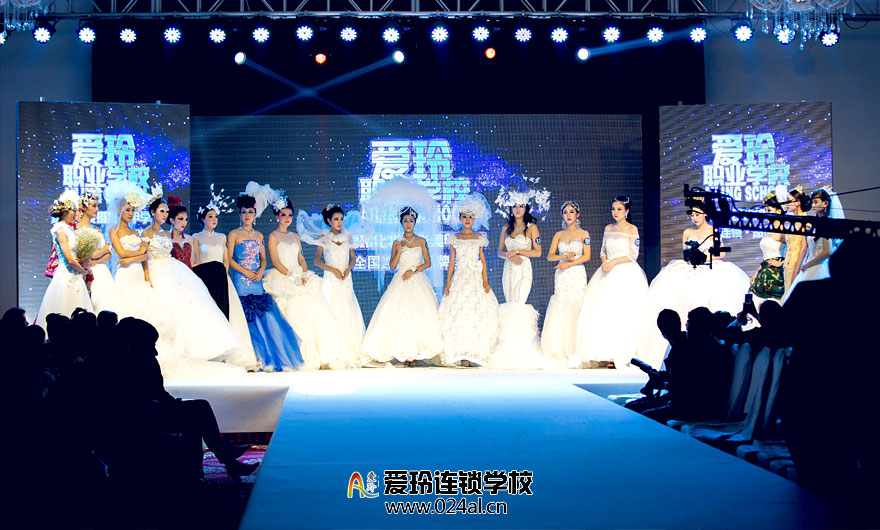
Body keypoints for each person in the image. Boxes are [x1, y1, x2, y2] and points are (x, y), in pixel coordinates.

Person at [142, 195, 246, 378]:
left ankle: (195, 349)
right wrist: (147, 277)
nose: (165, 214)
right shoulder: (147, 233)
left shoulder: (167, 235)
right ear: (153, 212)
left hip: (174, 270)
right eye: (162, 211)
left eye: (166, 211)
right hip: (158, 270)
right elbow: (144, 256)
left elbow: (189, 261)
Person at [639, 199, 750, 368]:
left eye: (698, 214)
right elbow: (684, 254)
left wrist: (705, 257)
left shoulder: (713, 230)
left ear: (705, 214)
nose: (694, 217)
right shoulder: (687, 232)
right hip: (690, 268)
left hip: (709, 268)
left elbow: (721, 253)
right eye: (692, 214)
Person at [263, 198, 347, 369]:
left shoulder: (294, 236)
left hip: (299, 275)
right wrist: (292, 276)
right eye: (283, 215)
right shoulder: (273, 236)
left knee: (315, 312)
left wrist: (304, 273)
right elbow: (276, 261)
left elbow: (300, 257)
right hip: (284, 276)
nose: (287, 218)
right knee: (292, 311)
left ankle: (320, 355)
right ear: (277, 216)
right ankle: (295, 356)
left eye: (290, 215)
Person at [229, 183, 304, 372]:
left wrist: (261, 269)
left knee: (266, 318)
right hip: (242, 280)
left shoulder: (259, 235)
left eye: (250, 212)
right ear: (240, 214)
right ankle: (251, 358)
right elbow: (229, 259)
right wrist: (245, 272)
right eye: (244, 212)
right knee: (247, 319)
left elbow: (263, 258)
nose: (247, 216)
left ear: (255, 214)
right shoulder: (234, 234)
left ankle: (269, 358)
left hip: (257, 280)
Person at [572, 195, 649, 369]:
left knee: (622, 312)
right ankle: (604, 353)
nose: (615, 212)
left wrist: (614, 262)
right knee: (603, 311)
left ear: (627, 211)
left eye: (619, 209)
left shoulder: (632, 229)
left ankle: (620, 354)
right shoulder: (608, 228)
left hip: (626, 272)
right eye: (613, 209)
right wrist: (605, 261)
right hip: (607, 271)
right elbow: (602, 250)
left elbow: (633, 255)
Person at [360, 206, 443, 366]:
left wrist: (413, 270)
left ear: (415, 222)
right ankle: (404, 355)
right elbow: (392, 266)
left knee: (418, 315)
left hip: (417, 280)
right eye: (405, 221)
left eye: (411, 221)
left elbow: (428, 263)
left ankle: (416, 354)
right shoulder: (397, 242)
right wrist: (398, 252)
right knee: (398, 315)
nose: (408, 224)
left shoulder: (421, 241)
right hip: (401, 281)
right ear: (401, 222)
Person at [297, 204, 368, 366]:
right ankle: (333, 352)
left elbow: (353, 257)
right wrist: (333, 270)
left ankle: (351, 351)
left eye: (341, 219)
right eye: (336, 219)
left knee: (348, 307)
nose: (339, 222)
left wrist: (348, 268)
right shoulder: (324, 237)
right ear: (329, 220)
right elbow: (317, 261)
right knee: (331, 308)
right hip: (331, 276)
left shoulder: (348, 236)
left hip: (346, 277)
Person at [192, 196, 257, 366]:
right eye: (210, 216)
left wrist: (223, 274)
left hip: (222, 279)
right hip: (206, 280)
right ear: (202, 218)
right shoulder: (196, 237)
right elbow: (195, 261)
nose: (214, 219)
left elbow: (226, 259)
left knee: (230, 313)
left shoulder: (221, 237)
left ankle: (231, 352)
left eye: (216, 216)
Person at [438, 193, 499, 367]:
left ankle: (474, 353)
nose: (467, 219)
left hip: (475, 278)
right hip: (459, 277)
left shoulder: (479, 238)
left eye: (470, 217)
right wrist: (448, 282)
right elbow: (451, 263)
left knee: (475, 312)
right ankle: (461, 354)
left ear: (474, 219)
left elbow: (483, 261)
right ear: (460, 218)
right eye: (464, 216)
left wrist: (485, 281)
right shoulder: (454, 238)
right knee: (459, 313)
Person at [491, 192, 549, 368]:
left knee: (519, 302)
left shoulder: (532, 227)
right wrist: (509, 256)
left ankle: (524, 348)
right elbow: (500, 251)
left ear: (526, 208)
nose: (517, 209)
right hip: (508, 268)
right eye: (514, 206)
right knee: (509, 303)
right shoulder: (506, 228)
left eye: (521, 206)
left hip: (523, 268)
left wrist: (518, 252)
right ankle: (507, 348)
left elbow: (538, 252)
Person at [540, 200, 590, 364]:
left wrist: (568, 263)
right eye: (565, 212)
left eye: (571, 212)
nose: (568, 215)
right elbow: (550, 256)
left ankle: (576, 349)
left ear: (578, 214)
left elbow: (587, 256)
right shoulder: (558, 235)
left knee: (577, 304)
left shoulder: (584, 234)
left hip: (576, 273)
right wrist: (563, 257)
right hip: (561, 274)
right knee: (561, 305)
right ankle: (559, 349)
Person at [35, 190, 93, 329]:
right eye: (74, 210)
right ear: (66, 211)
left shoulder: (70, 229)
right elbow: (69, 259)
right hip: (66, 274)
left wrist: (83, 264)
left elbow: (74, 256)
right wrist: (83, 271)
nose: (75, 213)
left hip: (76, 274)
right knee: (64, 305)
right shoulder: (60, 229)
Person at [781, 186, 845, 304]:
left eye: (816, 202)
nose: (813, 205)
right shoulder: (813, 223)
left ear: (825, 204)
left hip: (818, 267)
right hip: (808, 266)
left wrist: (807, 265)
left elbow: (826, 252)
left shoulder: (827, 223)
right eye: (813, 202)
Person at [77, 192, 117, 314]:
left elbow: (108, 255)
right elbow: (91, 254)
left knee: (107, 304)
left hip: (102, 271)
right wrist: (104, 249)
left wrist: (98, 260)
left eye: (97, 206)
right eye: (94, 206)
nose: (97, 209)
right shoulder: (78, 229)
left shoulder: (97, 229)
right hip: (89, 272)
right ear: (84, 207)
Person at [749, 192, 786, 306]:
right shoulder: (769, 230)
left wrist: (781, 263)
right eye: (766, 210)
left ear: (778, 211)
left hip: (776, 274)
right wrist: (757, 272)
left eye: (769, 210)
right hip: (764, 271)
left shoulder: (783, 231)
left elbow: (795, 251)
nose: (766, 213)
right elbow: (766, 256)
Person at [781, 186, 811, 297]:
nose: (786, 204)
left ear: (798, 202)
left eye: (789, 201)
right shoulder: (793, 221)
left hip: (796, 264)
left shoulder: (805, 221)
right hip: (788, 265)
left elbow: (803, 248)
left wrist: (796, 270)